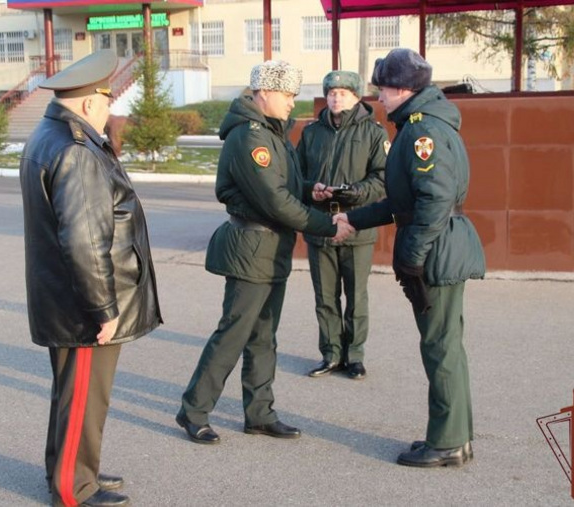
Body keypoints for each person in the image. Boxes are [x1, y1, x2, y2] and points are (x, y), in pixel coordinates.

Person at [176, 60, 354, 445]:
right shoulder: (250, 137)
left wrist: (312, 190)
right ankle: (193, 411)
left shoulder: (273, 133)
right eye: (288, 95)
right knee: (233, 334)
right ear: (264, 93)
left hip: (272, 248)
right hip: (252, 247)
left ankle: (259, 413)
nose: (293, 102)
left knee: (263, 336)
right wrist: (327, 224)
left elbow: (284, 184)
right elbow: (273, 199)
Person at [19, 50, 162, 506]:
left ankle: (74, 472)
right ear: (87, 105)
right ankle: (74, 489)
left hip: (66, 295)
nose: (109, 111)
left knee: (73, 397)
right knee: (82, 398)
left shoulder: (50, 135)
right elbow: (84, 241)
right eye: (105, 102)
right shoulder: (75, 150)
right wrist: (102, 309)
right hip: (84, 303)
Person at [334, 48, 485, 467]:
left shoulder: (423, 133)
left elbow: (434, 200)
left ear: (401, 89)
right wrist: (354, 218)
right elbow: (402, 201)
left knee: (440, 346)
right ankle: (453, 436)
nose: (378, 98)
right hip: (439, 244)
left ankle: (449, 442)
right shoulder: (420, 125)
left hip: (437, 250)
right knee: (444, 345)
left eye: (381, 89)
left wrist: (413, 256)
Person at [297, 70, 388, 380]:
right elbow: (296, 177)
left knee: (356, 296)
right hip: (320, 222)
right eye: (332, 92)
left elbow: (382, 178)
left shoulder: (373, 133)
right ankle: (331, 354)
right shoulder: (311, 133)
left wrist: (357, 192)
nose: (336, 97)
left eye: (343, 92)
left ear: (356, 96)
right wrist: (311, 188)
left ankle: (355, 356)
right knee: (325, 296)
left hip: (356, 224)